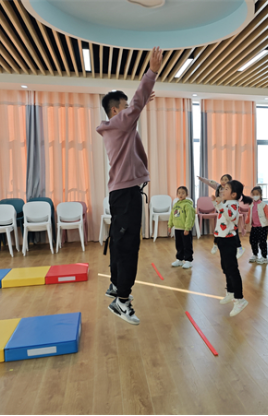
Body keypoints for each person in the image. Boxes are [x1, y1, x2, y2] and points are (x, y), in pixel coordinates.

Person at [97, 46, 162, 326]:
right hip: (126, 195)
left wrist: (141, 103)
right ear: (115, 110)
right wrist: (152, 72)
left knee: (119, 242)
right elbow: (135, 105)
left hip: (121, 193)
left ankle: (115, 285)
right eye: (124, 108)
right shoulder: (120, 123)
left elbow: (135, 106)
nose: (129, 111)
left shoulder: (117, 128)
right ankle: (122, 301)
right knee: (128, 246)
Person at [213, 180, 252, 317]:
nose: (222, 191)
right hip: (222, 238)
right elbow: (221, 211)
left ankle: (240, 299)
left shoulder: (234, 205)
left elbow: (230, 216)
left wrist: (219, 204)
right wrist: (217, 202)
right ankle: (230, 291)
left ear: (234, 194)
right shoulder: (227, 203)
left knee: (232, 269)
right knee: (225, 267)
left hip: (229, 240)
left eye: (226, 189)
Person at [198, 174, 245, 259]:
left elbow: (230, 215)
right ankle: (215, 245)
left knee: (232, 239)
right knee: (218, 233)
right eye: (222, 179)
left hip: (228, 227)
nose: (223, 182)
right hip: (222, 216)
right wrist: (215, 202)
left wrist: (219, 204)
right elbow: (210, 182)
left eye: (226, 180)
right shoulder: (219, 188)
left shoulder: (233, 203)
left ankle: (239, 248)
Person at [168, 186, 196, 270]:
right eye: (179, 193)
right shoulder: (176, 205)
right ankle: (179, 259)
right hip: (177, 228)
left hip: (185, 229)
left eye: (183, 193)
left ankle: (188, 261)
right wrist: (170, 225)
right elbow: (172, 215)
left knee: (187, 245)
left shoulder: (187, 205)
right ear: (177, 194)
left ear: (186, 194)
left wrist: (187, 228)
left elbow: (189, 217)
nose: (181, 195)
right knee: (179, 245)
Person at [246, 186, 268, 264]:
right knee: (252, 241)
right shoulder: (251, 205)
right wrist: (246, 222)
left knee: (262, 242)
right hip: (254, 227)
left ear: (260, 195)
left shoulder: (263, 204)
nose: (255, 195)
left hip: (262, 227)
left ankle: (264, 257)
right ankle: (255, 255)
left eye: (257, 194)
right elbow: (249, 214)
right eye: (253, 194)